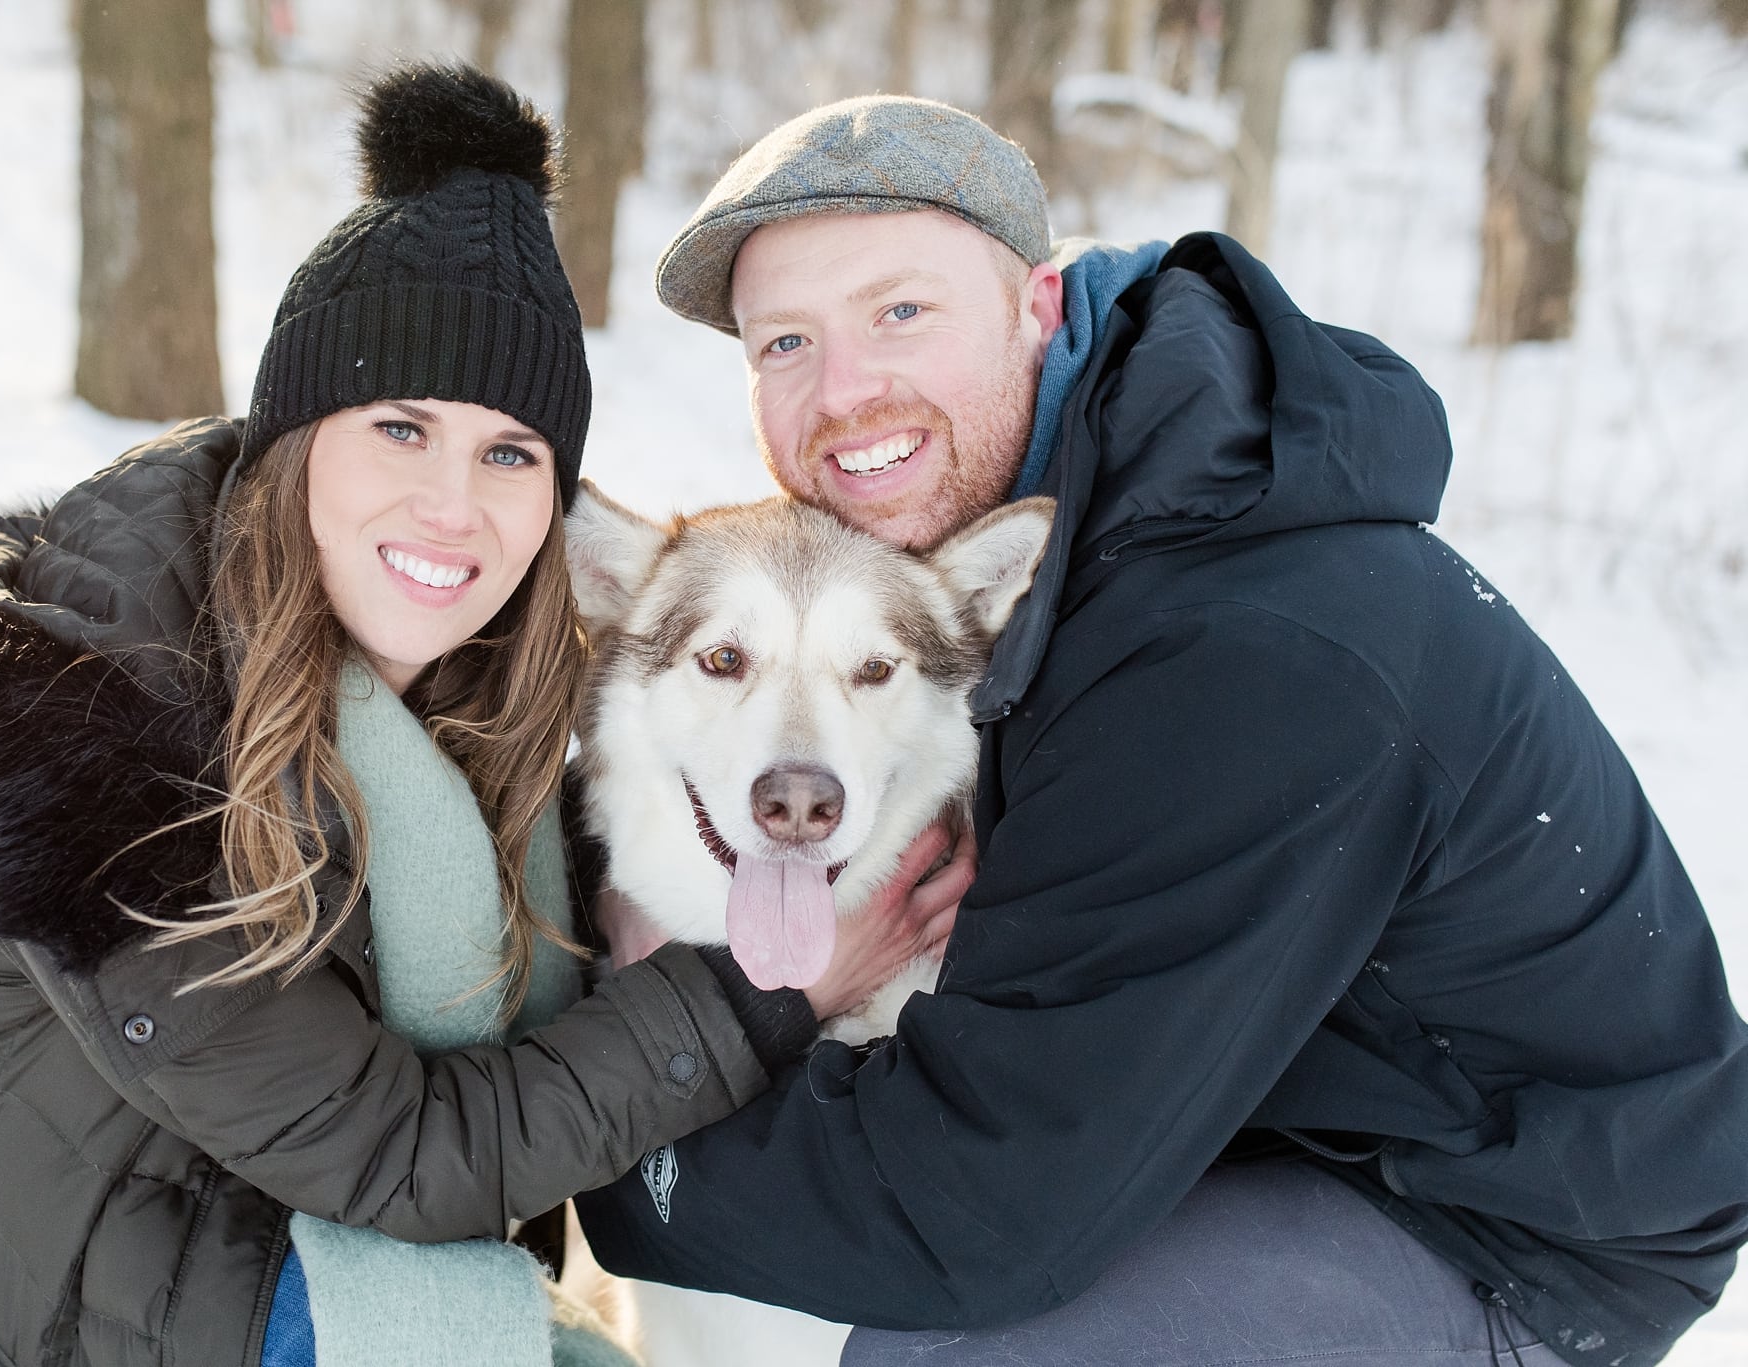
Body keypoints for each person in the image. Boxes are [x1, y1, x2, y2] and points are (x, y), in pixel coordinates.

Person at [0, 66, 953, 1367]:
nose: (453, 505)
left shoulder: (458, 665)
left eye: (509, 452)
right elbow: (395, 1150)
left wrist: (631, 877)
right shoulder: (82, 738)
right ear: (296, 437)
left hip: (246, 1260)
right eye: (402, 427)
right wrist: (754, 997)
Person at [571, 94, 1748, 1367]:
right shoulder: (1059, 515)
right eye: (785, 341)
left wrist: (621, 1144)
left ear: (1037, 302)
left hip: (1502, 1219)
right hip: (1237, 1113)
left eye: (899, 311)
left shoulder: (1234, 647)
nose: (845, 391)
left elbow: (979, 1214)